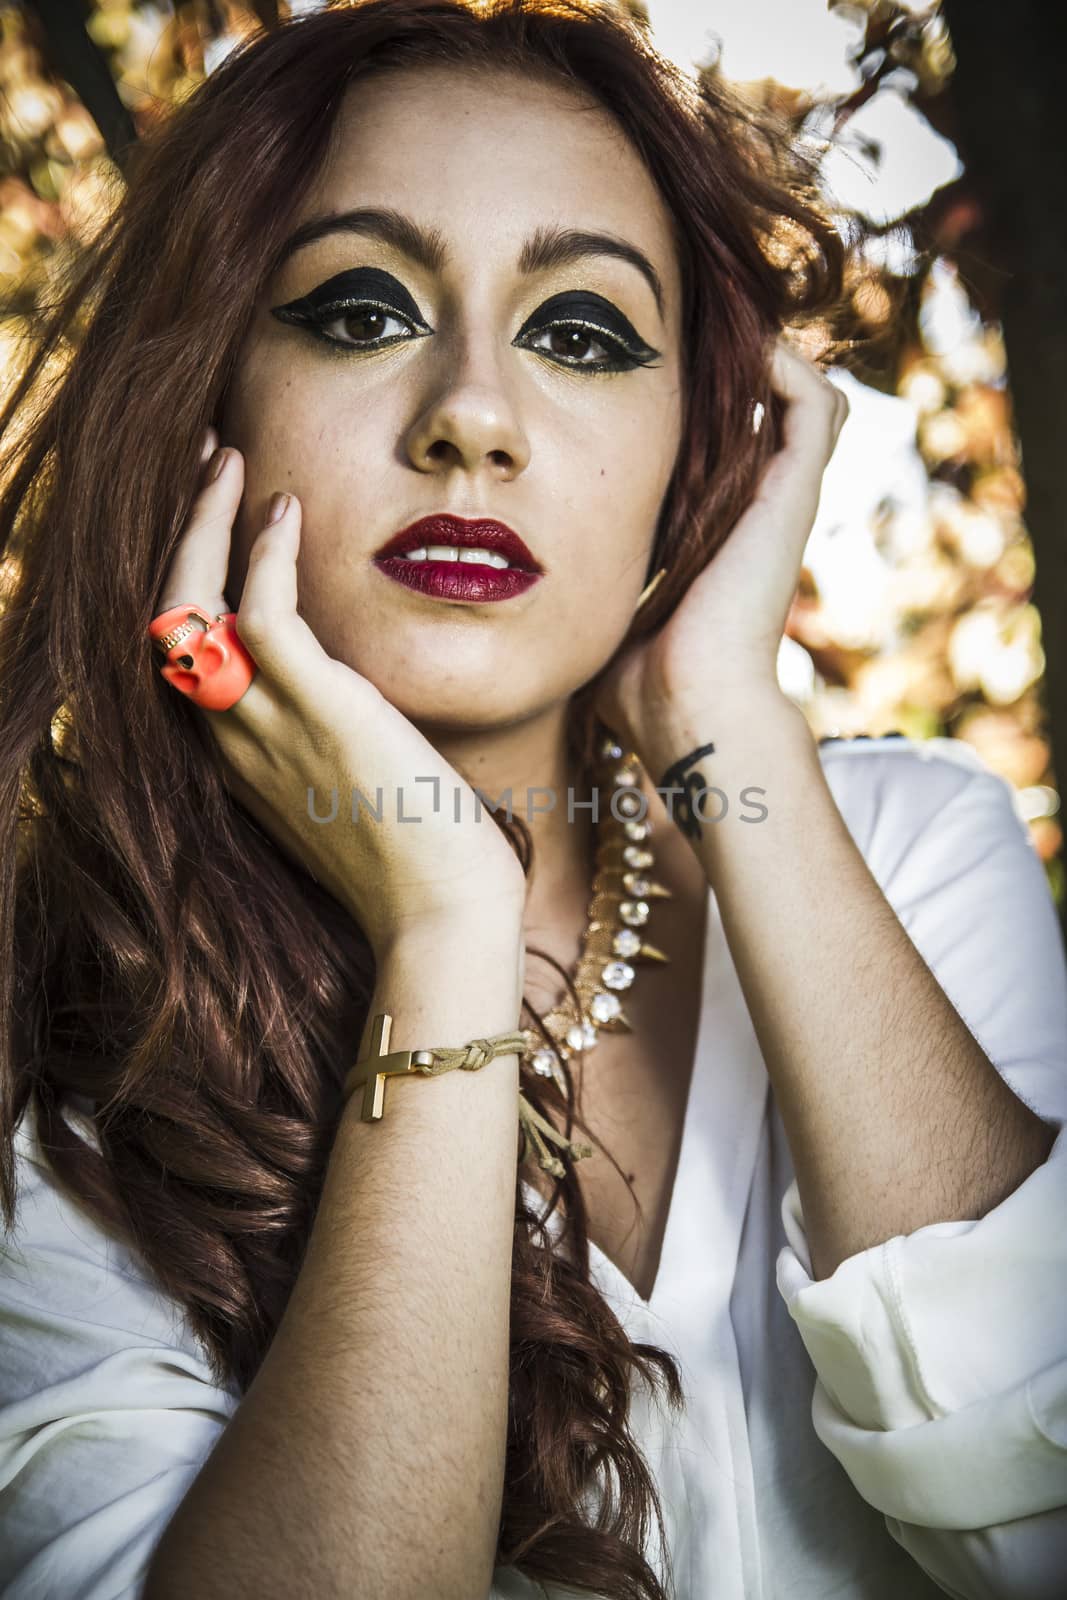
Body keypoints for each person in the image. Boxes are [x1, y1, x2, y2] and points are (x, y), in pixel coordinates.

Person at [0, 1, 1065, 1596]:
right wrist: (444, 923)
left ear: (692, 452)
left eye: (580, 334)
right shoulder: (59, 1035)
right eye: (360, 308)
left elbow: (1035, 1525)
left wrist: (724, 721)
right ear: (208, 411)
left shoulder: (918, 847)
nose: (473, 417)